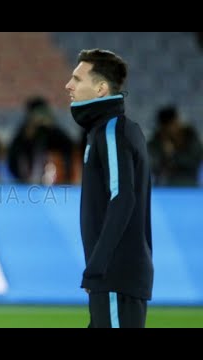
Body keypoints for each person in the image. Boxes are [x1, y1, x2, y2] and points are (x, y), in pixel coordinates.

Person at [65, 49, 153, 328]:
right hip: (116, 276)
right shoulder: (108, 129)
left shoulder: (112, 130)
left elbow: (122, 197)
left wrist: (97, 267)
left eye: (77, 79)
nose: (69, 85)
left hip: (114, 275)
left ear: (101, 89)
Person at [147, 105, 203, 187]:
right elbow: (152, 164)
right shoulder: (156, 141)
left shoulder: (190, 137)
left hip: (189, 183)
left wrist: (173, 155)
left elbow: (195, 159)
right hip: (164, 186)